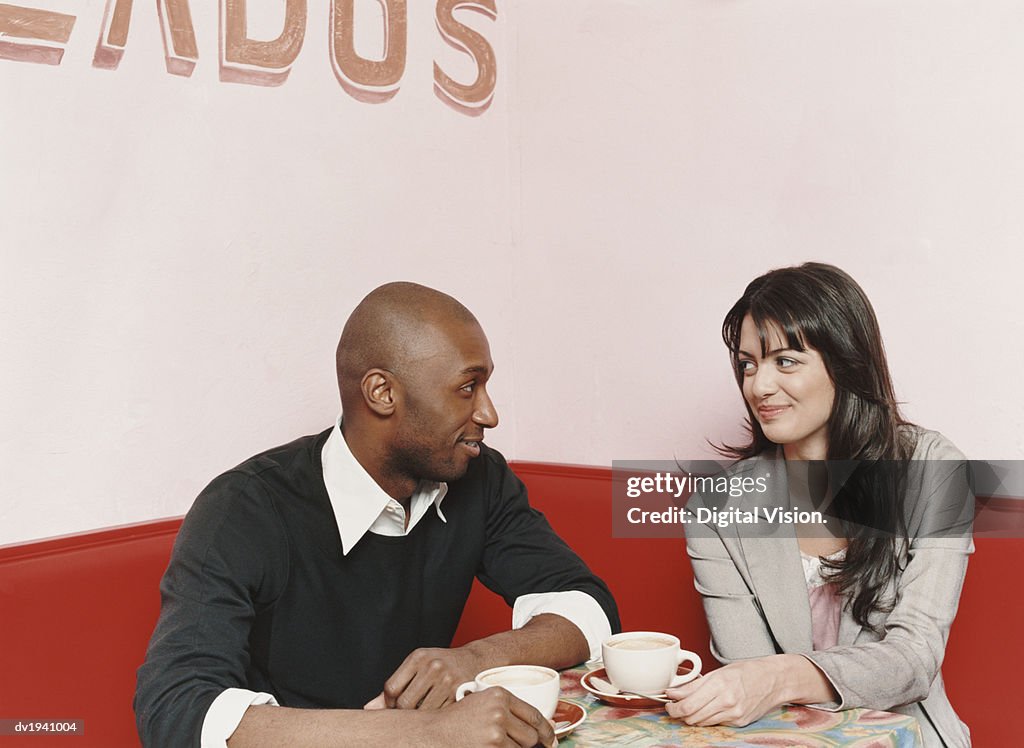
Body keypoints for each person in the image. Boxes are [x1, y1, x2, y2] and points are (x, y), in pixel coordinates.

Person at [134, 282, 620, 747]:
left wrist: (476, 659)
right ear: (382, 393)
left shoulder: (478, 479)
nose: (489, 413)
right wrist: (428, 736)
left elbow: (589, 607)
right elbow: (176, 710)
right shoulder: (244, 510)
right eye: (467, 387)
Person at [669, 263, 973, 747]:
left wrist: (782, 676)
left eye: (785, 361)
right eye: (748, 364)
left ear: (847, 363)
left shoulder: (933, 469)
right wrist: (763, 682)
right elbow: (747, 677)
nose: (758, 386)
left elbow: (915, 657)